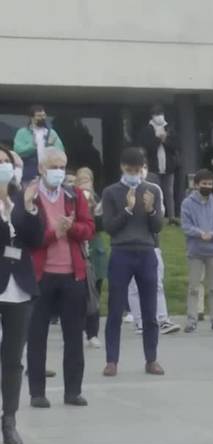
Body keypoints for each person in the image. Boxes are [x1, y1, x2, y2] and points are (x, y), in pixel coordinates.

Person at [25, 148, 94, 409]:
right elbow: (29, 237)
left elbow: (89, 228)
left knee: (74, 335)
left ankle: (73, 391)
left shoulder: (74, 195)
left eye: (62, 166)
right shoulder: (30, 195)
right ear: (42, 168)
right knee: (37, 335)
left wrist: (71, 228)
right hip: (41, 275)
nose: (59, 171)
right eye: (53, 166)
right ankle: (37, 393)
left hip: (71, 274)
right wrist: (55, 232)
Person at [101, 147, 166, 377]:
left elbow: (157, 227)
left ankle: (152, 358)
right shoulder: (111, 192)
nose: (134, 174)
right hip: (121, 253)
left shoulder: (151, 190)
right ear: (122, 167)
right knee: (115, 309)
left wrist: (150, 210)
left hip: (147, 252)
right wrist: (127, 209)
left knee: (150, 310)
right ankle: (111, 360)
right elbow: (109, 226)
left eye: (138, 170)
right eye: (130, 170)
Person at [0, 146, 44, 444]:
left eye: (5, 162)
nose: (3, 166)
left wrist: (28, 209)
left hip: (20, 287)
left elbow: (36, 239)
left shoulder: (21, 198)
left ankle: (10, 419)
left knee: (13, 359)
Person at [127, 162, 181, 337]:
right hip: (129, 245)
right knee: (134, 287)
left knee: (156, 283)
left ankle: (162, 319)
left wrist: (149, 208)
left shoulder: (154, 189)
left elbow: (159, 216)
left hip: (151, 244)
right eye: (136, 168)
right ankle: (140, 322)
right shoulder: (121, 189)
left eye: (143, 167)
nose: (140, 172)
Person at [180, 170, 213, 334]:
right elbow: (185, 226)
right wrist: (200, 233)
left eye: (210, 184)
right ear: (196, 185)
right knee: (194, 287)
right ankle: (191, 320)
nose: (207, 187)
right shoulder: (187, 204)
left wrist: (212, 235)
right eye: (204, 184)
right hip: (195, 251)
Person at [75, 168, 106, 349]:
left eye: (88, 180)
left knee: (94, 293)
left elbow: (102, 226)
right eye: (82, 180)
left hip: (95, 251)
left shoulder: (98, 201)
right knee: (77, 295)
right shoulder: (72, 199)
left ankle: (92, 333)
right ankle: (76, 329)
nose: (85, 184)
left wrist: (93, 209)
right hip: (79, 252)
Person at [137, 105, 179, 224]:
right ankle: (155, 216)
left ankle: (172, 217)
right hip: (153, 168)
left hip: (168, 167)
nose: (160, 117)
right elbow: (147, 147)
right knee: (153, 191)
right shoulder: (147, 130)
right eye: (157, 114)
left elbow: (176, 145)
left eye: (161, 114)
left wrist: (165, 140)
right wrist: (158, 139)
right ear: (152, 116)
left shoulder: (169, 128)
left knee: (169, 193)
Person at [13, 105, 64, 184]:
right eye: (39, 116)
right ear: (32, 117)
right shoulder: (22, 132)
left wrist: (50, 146)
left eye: (44, 115)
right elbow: (18, 151)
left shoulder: (51, 133)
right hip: (28, 173)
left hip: (48, 173)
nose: (42, 118)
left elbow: (61, 153)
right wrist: (32, 146)